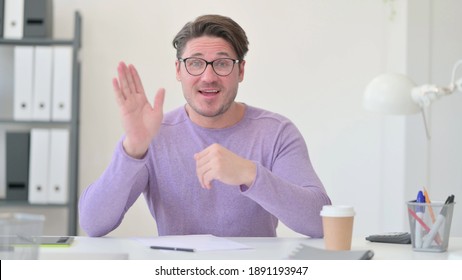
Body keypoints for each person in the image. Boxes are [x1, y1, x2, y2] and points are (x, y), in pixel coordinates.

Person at [79, 14, 331, 238]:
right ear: (179, 70)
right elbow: (93, 224)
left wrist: (249, 174)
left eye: (222, 63)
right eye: (195, 63)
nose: (208, 77)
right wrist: (132, 148)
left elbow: (321, 224)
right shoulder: (152, 135)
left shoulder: (277, 132)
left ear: (241, 70)